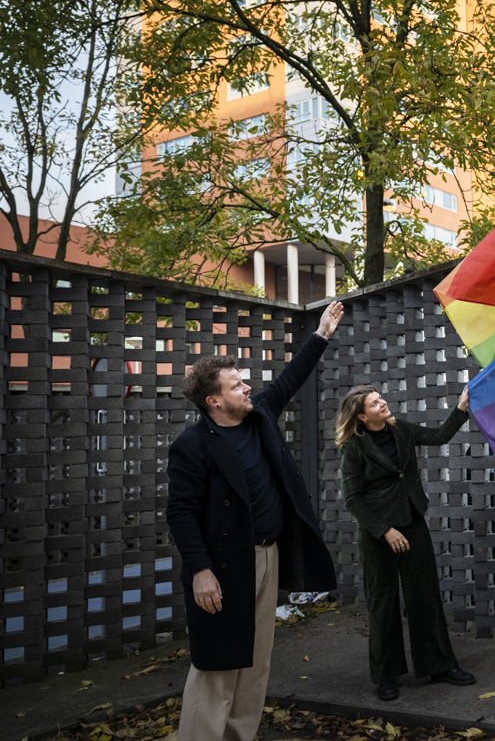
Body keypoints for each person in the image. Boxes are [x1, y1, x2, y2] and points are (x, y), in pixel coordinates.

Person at [167, 301, 344, 740]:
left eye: (244, 381)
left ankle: (238, 736)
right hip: (222, 568)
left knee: (257, 659)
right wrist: (201, 571)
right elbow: (180, 512)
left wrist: (320, 333)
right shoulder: (193, 445)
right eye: (237, 384)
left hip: (267, 556)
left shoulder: (259, 414)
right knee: (218, 665)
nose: (248, 388)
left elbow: (291, 377)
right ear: (214, 400)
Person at [335, 384, 475, 700]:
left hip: (412, 524)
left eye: (381, 398)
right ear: (361, 415)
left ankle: (439, 665)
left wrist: (462, 406)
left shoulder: (402, 430)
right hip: (377, 535)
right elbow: (353, 499)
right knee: (382, 604)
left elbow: (439, 436)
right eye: (374, 402)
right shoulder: (353, 448)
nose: (383, 403)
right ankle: (387, 676)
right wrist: (385, 530)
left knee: (425, 596)